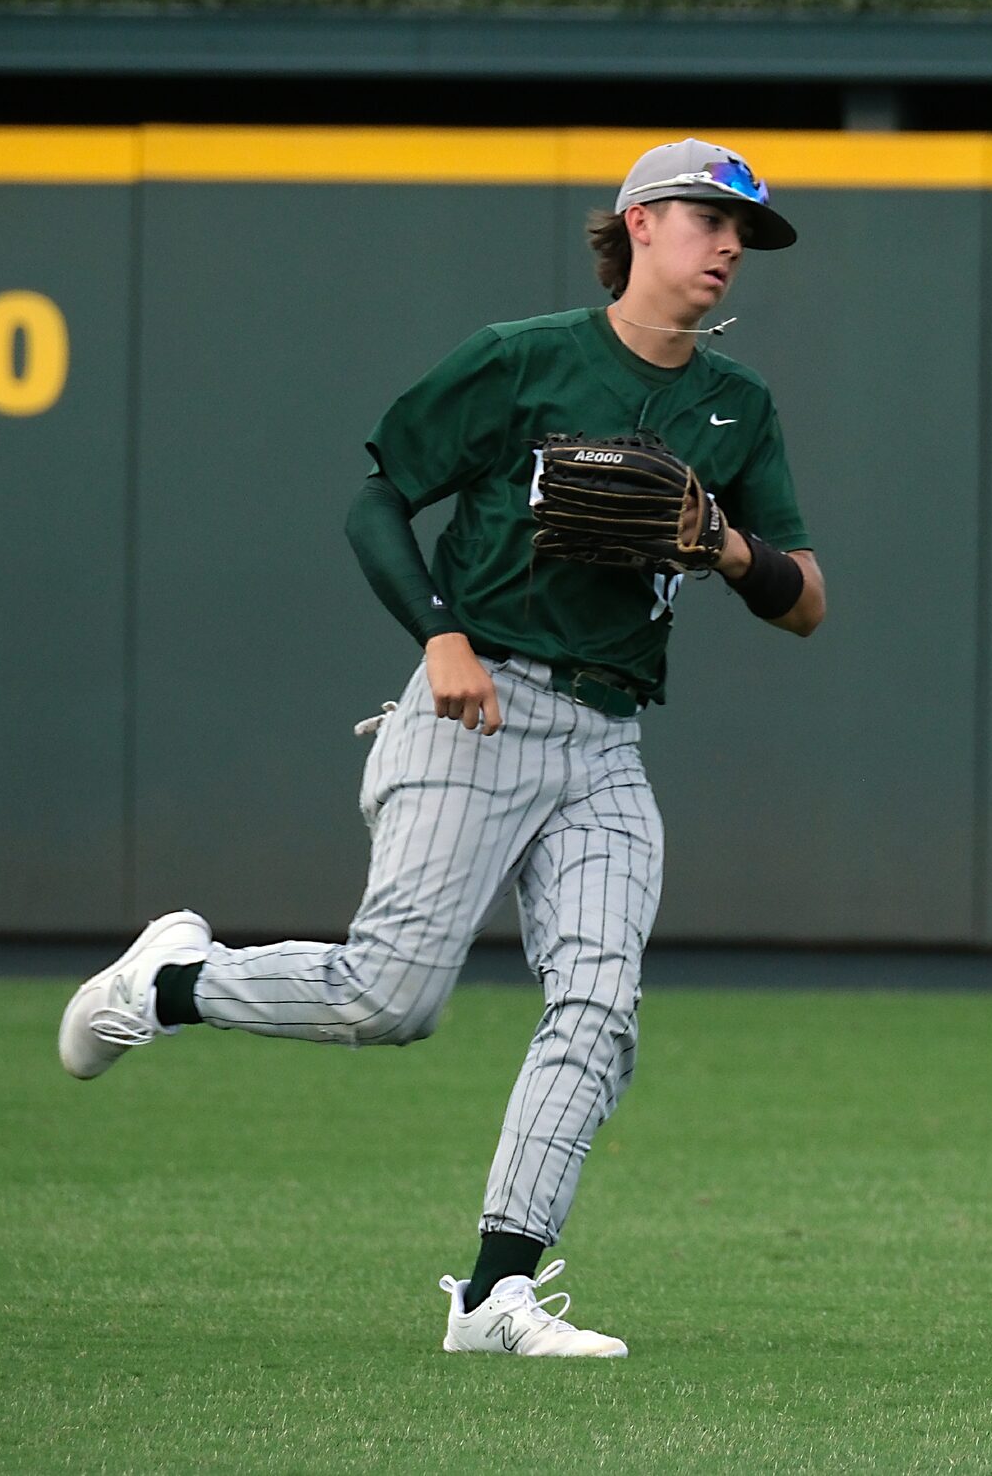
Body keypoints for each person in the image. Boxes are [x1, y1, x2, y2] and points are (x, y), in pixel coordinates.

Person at [57, 138, 824, 1359]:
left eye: (746, 233)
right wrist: (440, 633)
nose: (730, 246)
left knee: (599, 1010)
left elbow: (806, 599)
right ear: (637, 223)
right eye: (707, 218)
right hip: (478, 705)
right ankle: (166, 985)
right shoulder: (524, 358)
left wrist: (731, 552)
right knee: (390, 999)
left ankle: (494, 1296)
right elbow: (378, 495)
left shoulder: (740, 410)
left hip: (609, 738)